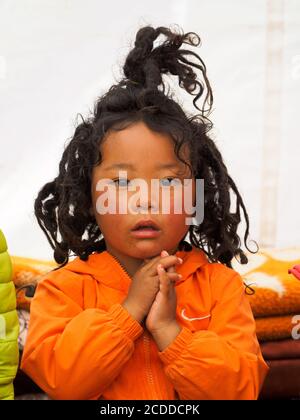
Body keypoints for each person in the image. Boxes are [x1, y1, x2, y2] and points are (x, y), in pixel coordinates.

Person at [21, 25, 269, 400]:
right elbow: (65, 382)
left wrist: (170, 331)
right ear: (90, 198)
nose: (145, 200)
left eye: (169, 184)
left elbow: (240, 389)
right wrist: (130, 309)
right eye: (121, 183)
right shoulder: (63, 290)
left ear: (196, 198)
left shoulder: (220, 287)